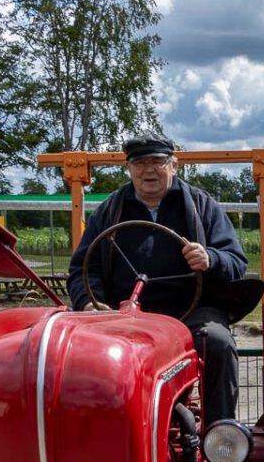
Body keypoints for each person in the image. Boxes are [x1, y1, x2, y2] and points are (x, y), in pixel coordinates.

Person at [67, 133, 252, 423]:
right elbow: (83, 270)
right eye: (140, 163)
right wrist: (91, 305)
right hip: (123, 317)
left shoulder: (201, 205)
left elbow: (236, 262)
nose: (149, 170)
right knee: (80, 353)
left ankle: (220, 437)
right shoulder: (109, 211)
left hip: (191, 313)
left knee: (218, 343)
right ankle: (102, 431)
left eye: (157, 161)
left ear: (174, 165)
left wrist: (210, 259)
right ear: (129, 168)